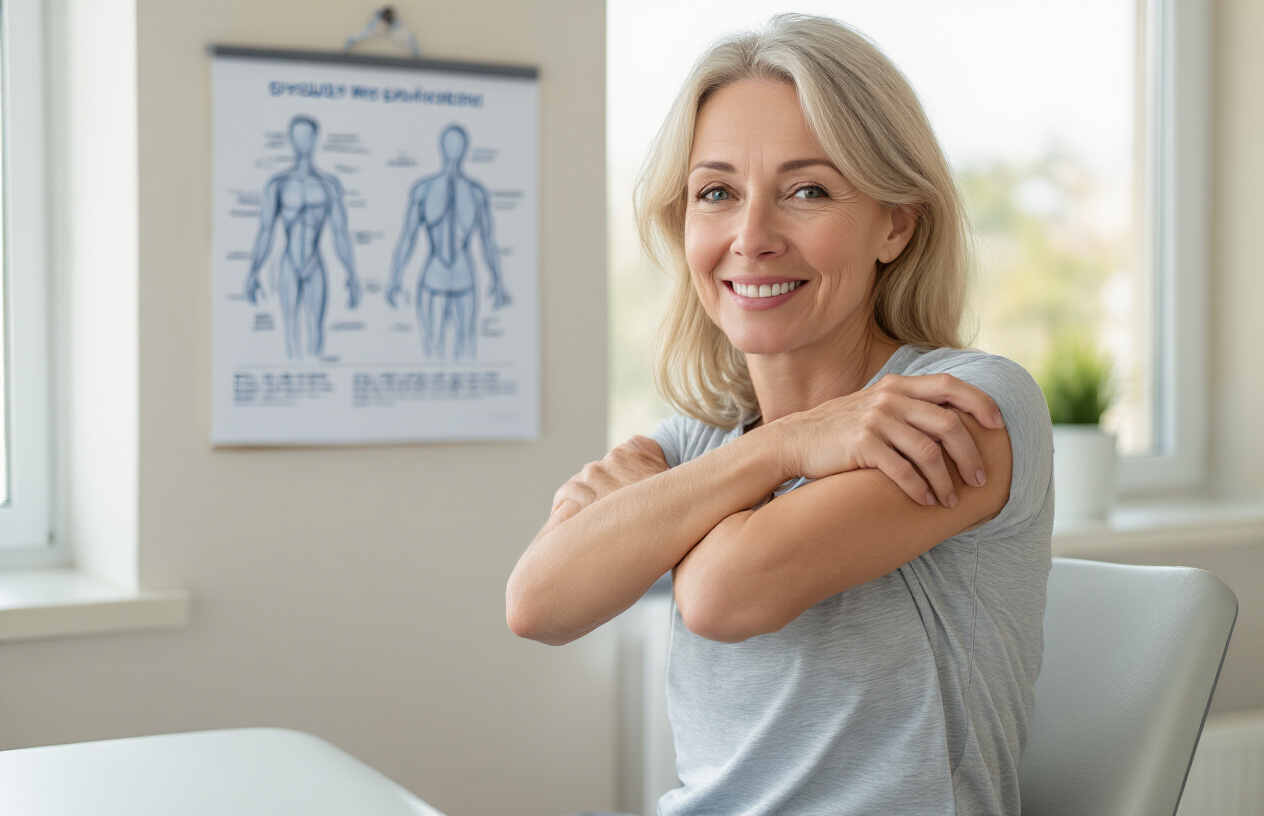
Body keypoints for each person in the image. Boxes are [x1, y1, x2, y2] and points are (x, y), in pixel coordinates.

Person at [507, 14, 1053, 815]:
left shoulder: (966, 407)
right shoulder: (703, 436)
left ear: (895, 223)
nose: (751, 237)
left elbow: (726, 596)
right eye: (717, 193)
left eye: (807, 191)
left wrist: (670, 513)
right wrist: (786, 446)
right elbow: (538, 604)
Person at [386, 123, 511, 360]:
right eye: (451, 145)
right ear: (442, 147)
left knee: (466, 348)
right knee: (432, 349)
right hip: (435, 276)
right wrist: (395, 276)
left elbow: (488, 242)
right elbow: (407, 239)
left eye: (458, 145)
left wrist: (498, 278)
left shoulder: (476, 192)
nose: (454, 150)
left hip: (462, 277)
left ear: (465, 149)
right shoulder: (423, 190)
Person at [243, 115, 361, 360]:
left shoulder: (328, 185)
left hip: (315, 264)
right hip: (288, 264)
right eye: (297, 135)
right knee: (290, 330)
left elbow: (340, 233)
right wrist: (253, 270)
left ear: (315, 139)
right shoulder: (279, 184)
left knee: (316, 328)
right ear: (291, 139)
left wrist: (352, 272)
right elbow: (266, 231)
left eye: (307, 135)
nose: (302, 141)